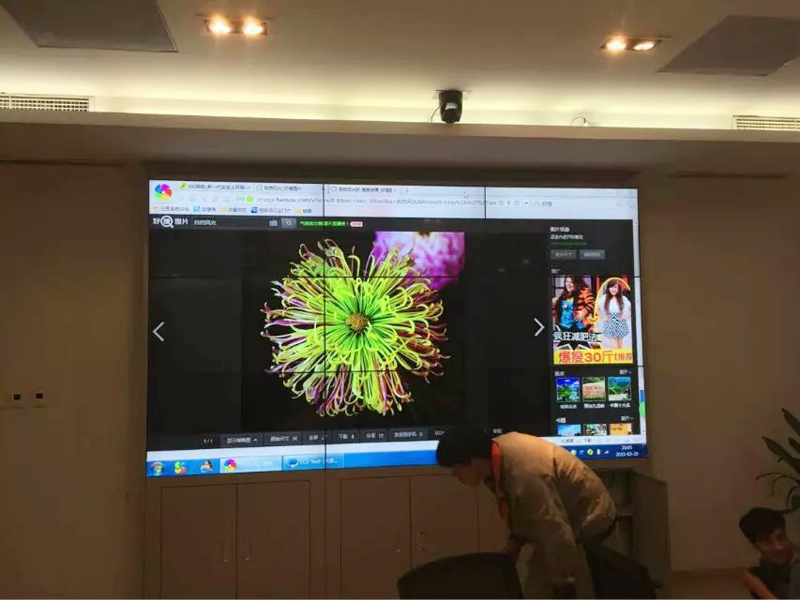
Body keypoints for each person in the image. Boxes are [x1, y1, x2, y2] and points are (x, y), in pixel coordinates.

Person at [436, 427, 616, 599]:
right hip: (567, 519)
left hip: (589, 518)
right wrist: (516, 540)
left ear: (472, 462)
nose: (454, 475)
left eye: (455, 468)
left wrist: (564, 583)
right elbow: (523, 507)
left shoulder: (525, 473)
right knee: (539, 586)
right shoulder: (497, 456)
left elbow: (553, 529)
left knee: (553, 585)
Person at [739, 507, 798, 599]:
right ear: (754, 545)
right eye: (767, 542)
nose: (778, 547)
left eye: (780, 538)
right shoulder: (767, 562)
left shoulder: (797, 569)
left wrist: (761, 591)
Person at [597, 280, 632, 350]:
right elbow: (597, 309)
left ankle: (620, 357)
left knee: (620, 347)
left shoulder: (623, 298)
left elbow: (631, 308)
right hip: (610, 323)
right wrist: (602, 318)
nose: (613, 289)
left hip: (620, 323)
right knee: (614, 348)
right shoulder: (604, 298)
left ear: (618, 288)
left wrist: (626, 316)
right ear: (608, 288)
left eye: (615, 287)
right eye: (611, 287)